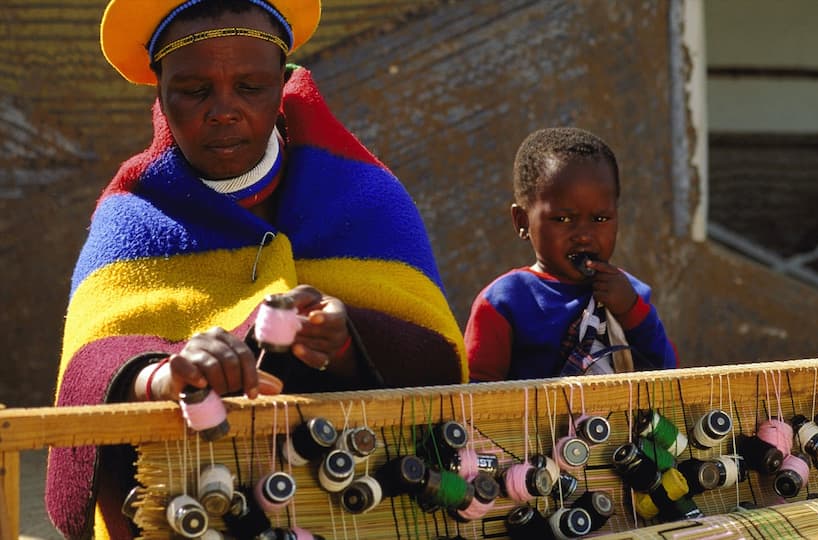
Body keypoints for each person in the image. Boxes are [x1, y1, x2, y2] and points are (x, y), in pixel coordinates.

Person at [45, 0, 466, 537]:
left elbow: (440, 363)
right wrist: (161, 375)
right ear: (160, 91)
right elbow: (87, 371)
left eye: (251, 87)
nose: (223, 110)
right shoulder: (132, 216)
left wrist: (343, 343)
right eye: (195, 91)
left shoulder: (367, 197)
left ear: (281, 82)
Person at [465, 127, 677, 382]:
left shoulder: (629, 292)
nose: (584, 234)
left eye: (600, 218)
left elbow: (670, 377)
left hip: (620, 422)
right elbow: (475, 397)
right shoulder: (506, 301)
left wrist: (633, 312)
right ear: (522, 221)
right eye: (563, 219)